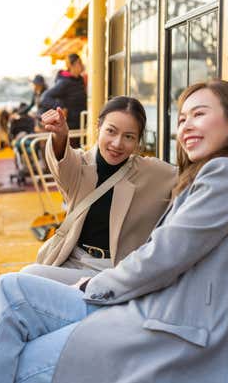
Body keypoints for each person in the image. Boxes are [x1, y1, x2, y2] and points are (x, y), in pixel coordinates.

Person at [0, 79, 228, 383]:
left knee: (13, 333)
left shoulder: (227, 174)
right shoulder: (212, 175)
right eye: (182, 119)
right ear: (98, 129)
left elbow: (163, 255)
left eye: (199, 114)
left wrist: (97, 284)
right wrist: (61, 136)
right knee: (9, 293)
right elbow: (68, 169)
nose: (186, 126)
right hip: (148, 312)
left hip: (167, 333)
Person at [21, 96, 177, 285]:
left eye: (129, 137)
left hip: (118, 271)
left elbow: (193, 179)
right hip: (74, 262)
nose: (117, 143)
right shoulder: (79, 165)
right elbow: (62, 161)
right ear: (98, 127)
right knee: (24, 279)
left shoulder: (152, 172)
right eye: (111, 131)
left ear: (138, 140)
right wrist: (60, 135)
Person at [38, 53, 87, 132]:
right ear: (71, 65)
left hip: (81, 124)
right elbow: (44, 97)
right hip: (70, 127)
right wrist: (61, 107)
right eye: (79, 62)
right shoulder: (64, 82)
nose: (82, 65)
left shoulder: (79, 79)